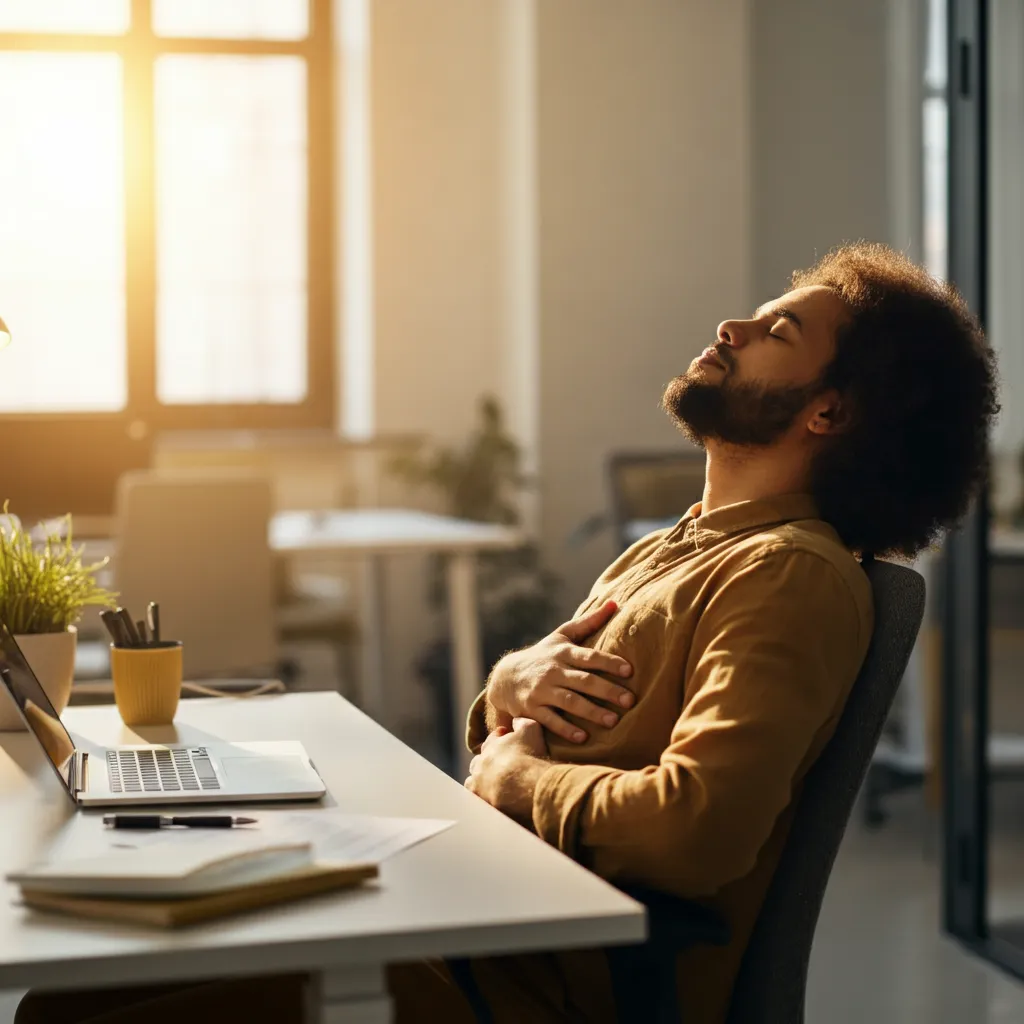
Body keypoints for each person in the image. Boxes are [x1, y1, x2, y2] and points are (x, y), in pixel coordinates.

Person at [16, 242, 998, 1024]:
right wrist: (509, 681)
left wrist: (513, 779)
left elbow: (699, 826)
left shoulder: (786, 575)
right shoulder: (677, 551)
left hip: (526, 986)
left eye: (777, 329)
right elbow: (523, 721)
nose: (731, 326)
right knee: (74, 991)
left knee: (80, 1012)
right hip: (463, 922)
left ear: (827, 409)